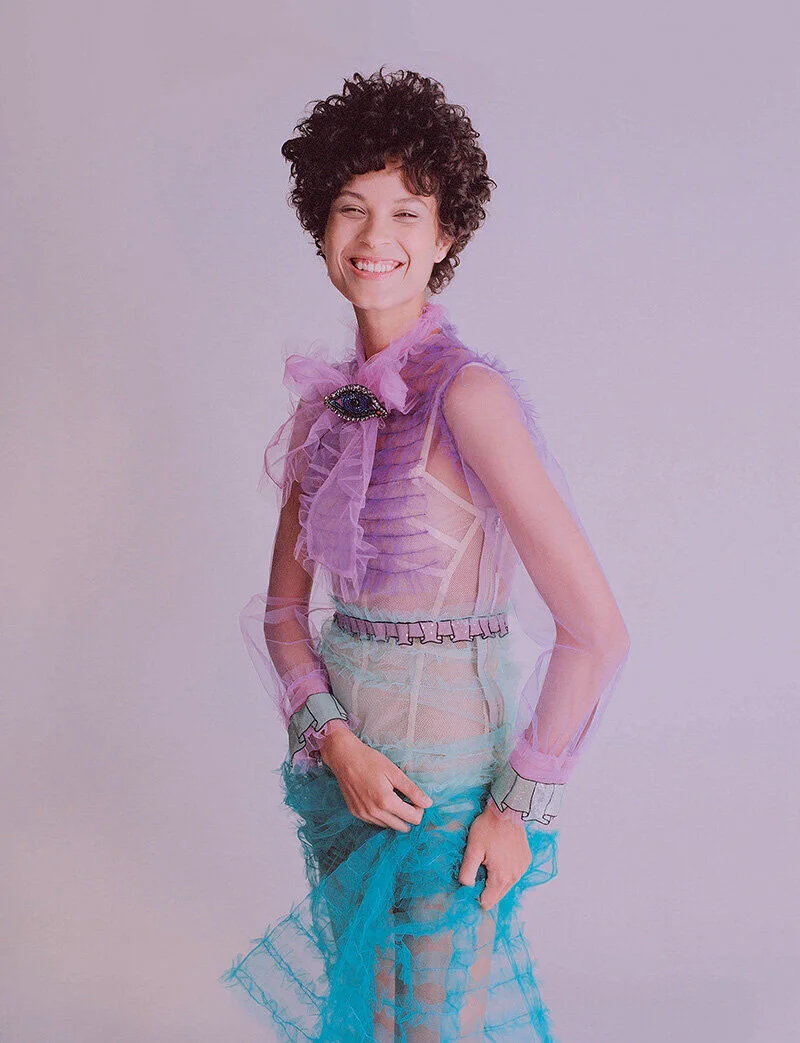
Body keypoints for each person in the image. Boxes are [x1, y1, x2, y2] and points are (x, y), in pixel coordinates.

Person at [220, 67, 630, 1042]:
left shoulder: (470, 397)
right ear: (321, 226)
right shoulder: (323, 410)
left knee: (433, 1028)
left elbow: (595, 631)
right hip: (343, 776)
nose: (376, 237)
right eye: (351, 208)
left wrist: (518, 808)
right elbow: (281, 615)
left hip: (450, 781)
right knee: (366, 1019)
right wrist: (338, 745)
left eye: (407, 211)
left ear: (445, 236)